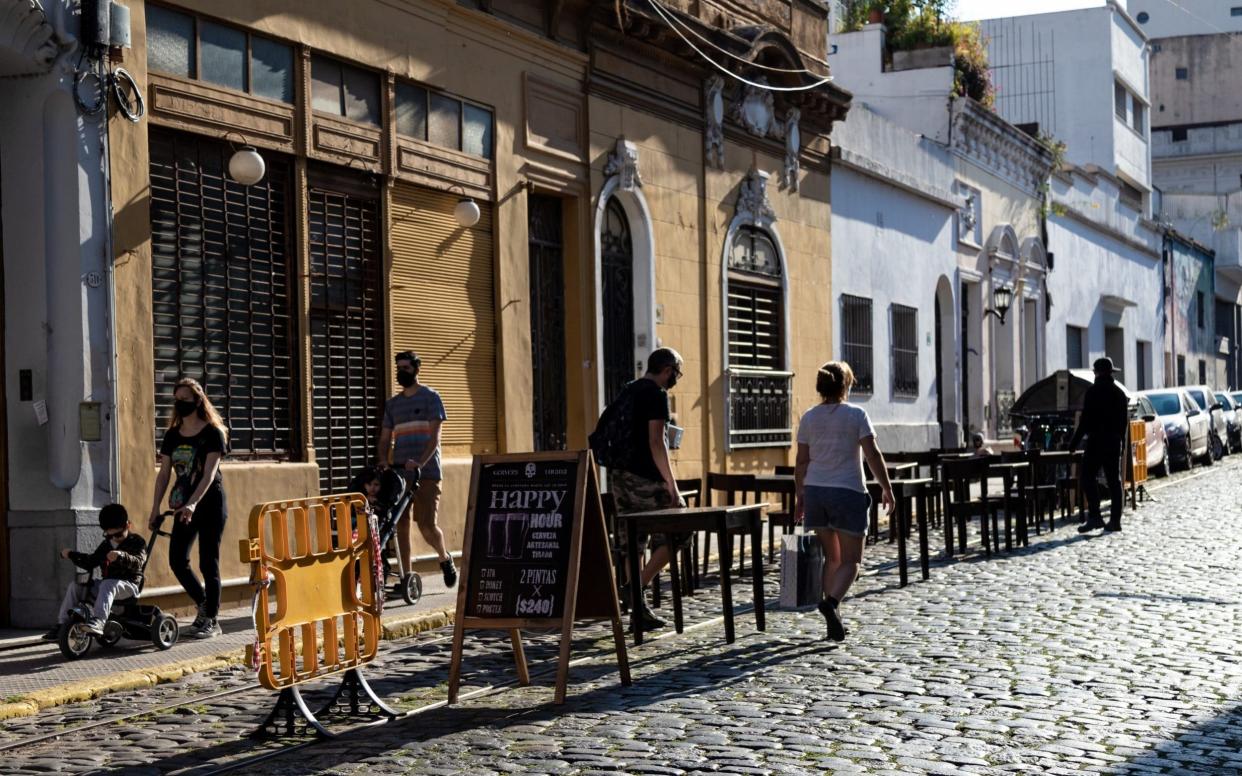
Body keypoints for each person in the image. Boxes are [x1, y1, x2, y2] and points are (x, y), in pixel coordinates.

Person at [794, 361, 894, 642]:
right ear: (845, 386)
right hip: (847, 491)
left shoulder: (809, 417)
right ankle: (832, 604)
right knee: (852, 561)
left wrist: (800, 496)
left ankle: (832, 621)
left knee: (832, 558)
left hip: (816, 491)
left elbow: (801, 462)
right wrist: (886, 487)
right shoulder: (856, 415)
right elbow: (873, 454)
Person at [598, 347, 687, 632]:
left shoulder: (629, 389)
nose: (676, 378)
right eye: (677, 373)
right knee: (681, 529)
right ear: (667, 369)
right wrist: (672, 487)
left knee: (632, 542)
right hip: (644, 477)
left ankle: (639, 611)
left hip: (618, 476)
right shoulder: (656, 395)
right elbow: (656, 442)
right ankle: (634, 589)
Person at [150, 378, 228, 639]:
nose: (179, 404)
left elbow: (208, 474)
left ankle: (211, 620)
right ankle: (205, 605)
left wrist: (193, 503)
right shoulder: (172, 435)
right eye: (176, 399)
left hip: (210, 503)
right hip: (184, 504)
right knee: (177, 559)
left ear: (197, 400)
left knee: (208, 561)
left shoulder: (212, 433)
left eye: (185, 399)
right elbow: (163, 475)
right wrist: (155, 508)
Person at [377, 351, 457, 590]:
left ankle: (444, 557)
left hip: (427, 472)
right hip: (400, 474)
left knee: (426, 525)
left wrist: (421, 462)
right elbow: (384, 438)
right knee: (399, 524)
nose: (402, 371)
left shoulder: (431, 397)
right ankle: (407, 577)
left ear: (416, 369)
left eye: (406, 367)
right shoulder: (393, 405)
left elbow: (434, 437)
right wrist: (383, 459)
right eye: (399, 367)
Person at [44, 504, 147, 640]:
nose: (114, 538)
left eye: (118, 534)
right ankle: (62, 625)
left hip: (130, 586)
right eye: (109, 535)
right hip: (108, 587)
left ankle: (99, 621)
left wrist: (121, 556)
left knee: (108, 584)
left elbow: (139, 561)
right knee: (75, 587)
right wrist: (71, 554)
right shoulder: (106, 545)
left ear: (128, 525)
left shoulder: (137, 542)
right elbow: (91, 561)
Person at [1069, 357, 1130, 533]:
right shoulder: (1119, 394)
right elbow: (1123, 424)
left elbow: (1085, 421)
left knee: (1087, 477)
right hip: (1113, 442)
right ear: (1111, 373)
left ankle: (1095, 516)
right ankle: (1115, 520)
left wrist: (1074, 443)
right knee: (1114, 481)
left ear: (1096, 373)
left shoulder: (1093, 392)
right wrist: (1122, 444)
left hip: (1096, 442)